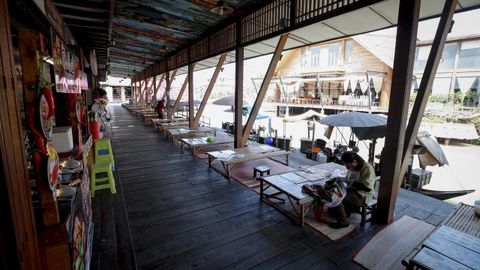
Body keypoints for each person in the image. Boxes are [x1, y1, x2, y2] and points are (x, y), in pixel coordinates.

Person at [328, 151, 376, 229]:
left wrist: (348, 182)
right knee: (333, 191)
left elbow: (367, 188)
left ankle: (343, 222)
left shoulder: (367, 168)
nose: (347, 167)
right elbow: (348, 178)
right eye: (345, 165)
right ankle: (346, 212)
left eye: (347, 165)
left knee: (336, 196)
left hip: (363, 196)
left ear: (354, 162)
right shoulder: (353, 167)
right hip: (353, 191)